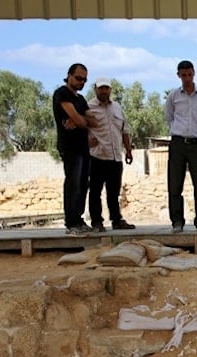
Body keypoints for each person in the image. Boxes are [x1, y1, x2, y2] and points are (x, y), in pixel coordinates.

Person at [164, 60, 197, 233]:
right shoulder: (173, 96)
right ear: (178, 75)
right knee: (175, 184)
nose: (187, 78)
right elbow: (169, 117)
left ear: (194, 73)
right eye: (183, 75)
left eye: (189, 74)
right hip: (178, 143)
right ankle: (177, 221)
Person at [86, 77, 135, 232]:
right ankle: (96, 222)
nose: (104, 91)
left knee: (113, 192)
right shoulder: (88, 107)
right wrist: (86, 141)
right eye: (101, 88)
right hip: (97, 156)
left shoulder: (117, 108)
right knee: (95, 191)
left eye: (106, 88)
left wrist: (128, 149)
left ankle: (116, 220)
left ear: (110, 90)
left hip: (115, 156)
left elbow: (124, 130)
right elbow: (80, 127)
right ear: (95, 89)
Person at [52, 63, 95, 236]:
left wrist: (79, 120)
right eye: (78, 78)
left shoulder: (81, 99)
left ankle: (78, 219)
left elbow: (93, 121)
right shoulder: (62, 93)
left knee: (84, 183)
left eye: (84, 80)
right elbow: (81, 120)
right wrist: (80, 120)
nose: (81, 82)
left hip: (83, 146)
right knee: (73, 183)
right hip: (69, 147)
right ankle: (71, 222)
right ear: (69, 75)